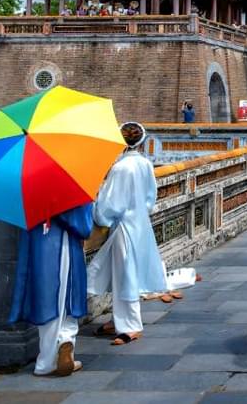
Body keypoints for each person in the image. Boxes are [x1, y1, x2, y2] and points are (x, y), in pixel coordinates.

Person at [86, 122, 167, 345]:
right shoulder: (145, 164)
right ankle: (117, 319)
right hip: (140, 222)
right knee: (120, 273)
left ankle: (130, 325)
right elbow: (151, 198)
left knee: (126, 274)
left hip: (123, 226)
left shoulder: (121, 168)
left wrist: (97, 210)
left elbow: (110, 205)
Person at [10, 203, 93, 376]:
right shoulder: (70, 183)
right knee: (67, 297)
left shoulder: (30, 186)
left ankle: (48, 358)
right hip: (65, 244)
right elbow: (83, 225)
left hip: (38, 242)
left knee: (45, 299)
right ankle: (65, 341)